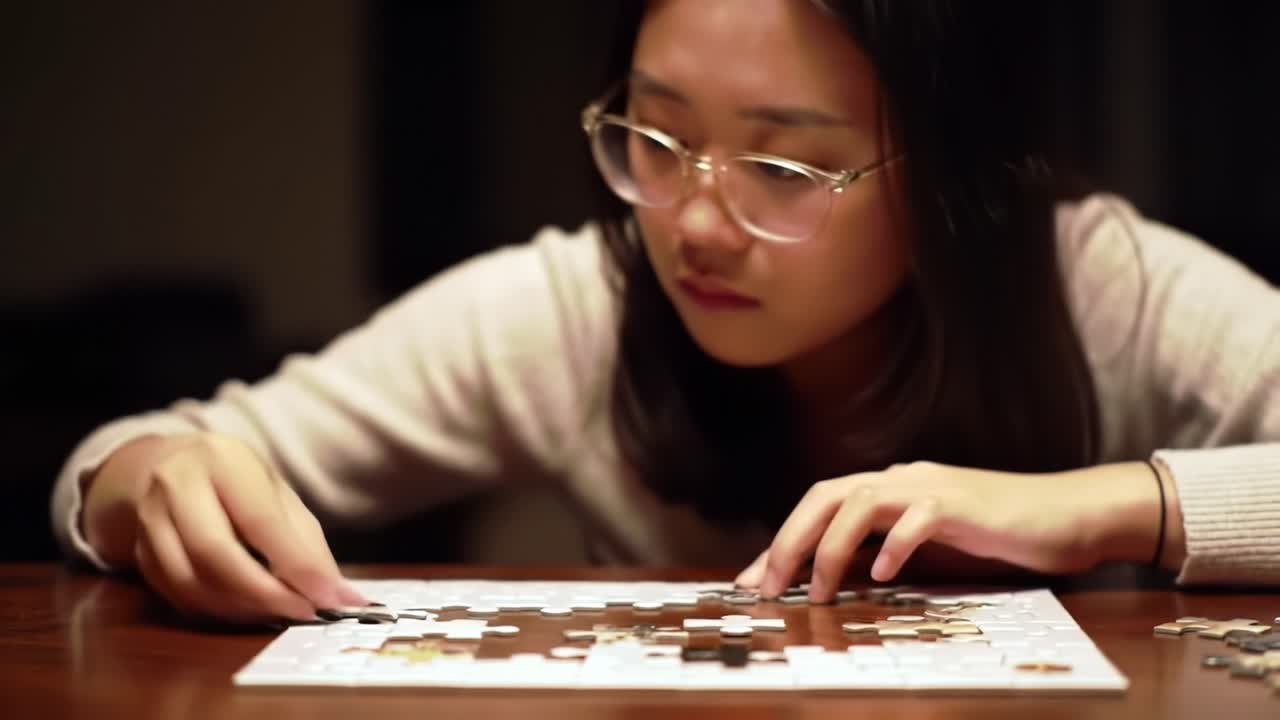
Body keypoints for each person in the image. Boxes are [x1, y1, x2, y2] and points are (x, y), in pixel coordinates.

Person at [51, 0, 1280, 624]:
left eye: (784, 170)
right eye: (652, 135)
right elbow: (131, 457)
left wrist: (1101, 506)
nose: (691, 223)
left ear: (954, 183)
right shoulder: (568, 309)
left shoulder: (1096, 285)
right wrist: (147, 477)